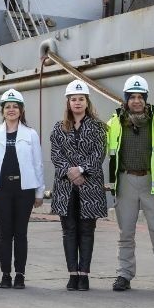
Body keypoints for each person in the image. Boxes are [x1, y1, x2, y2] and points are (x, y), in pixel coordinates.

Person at [107, 75, 154, 293]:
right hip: (126, 181)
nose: (136, 101)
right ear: (125, 99)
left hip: (150, 181)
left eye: (140, 97)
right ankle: (124, 275)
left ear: (146, 99)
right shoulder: (114, 123)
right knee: (125, 233)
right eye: (132, 97)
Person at [50, 80, 108, 291]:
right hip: (66, 186)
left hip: (89, 185)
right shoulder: (59, 128)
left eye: (81, 99)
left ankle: (84, 275)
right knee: (69, 230)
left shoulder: (99, 127)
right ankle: (72, 274)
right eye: (73, 99)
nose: (77, 103)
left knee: (86, 230)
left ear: (87, 102)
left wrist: (82, 170)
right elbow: (56, 153)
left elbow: (99, 153)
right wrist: (71, 172)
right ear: (68, 102)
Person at [0, 89, 44, 290]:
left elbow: (38, 164)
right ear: (2, 110)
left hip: (24, 189)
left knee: (20, 233)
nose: (11, 110)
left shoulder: (30, 134)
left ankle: (20, 274)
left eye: (15, 107)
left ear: (21, 110)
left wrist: (39, 192)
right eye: (7, 107)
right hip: (1, 189)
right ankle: (5, 274)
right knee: (4, 233)